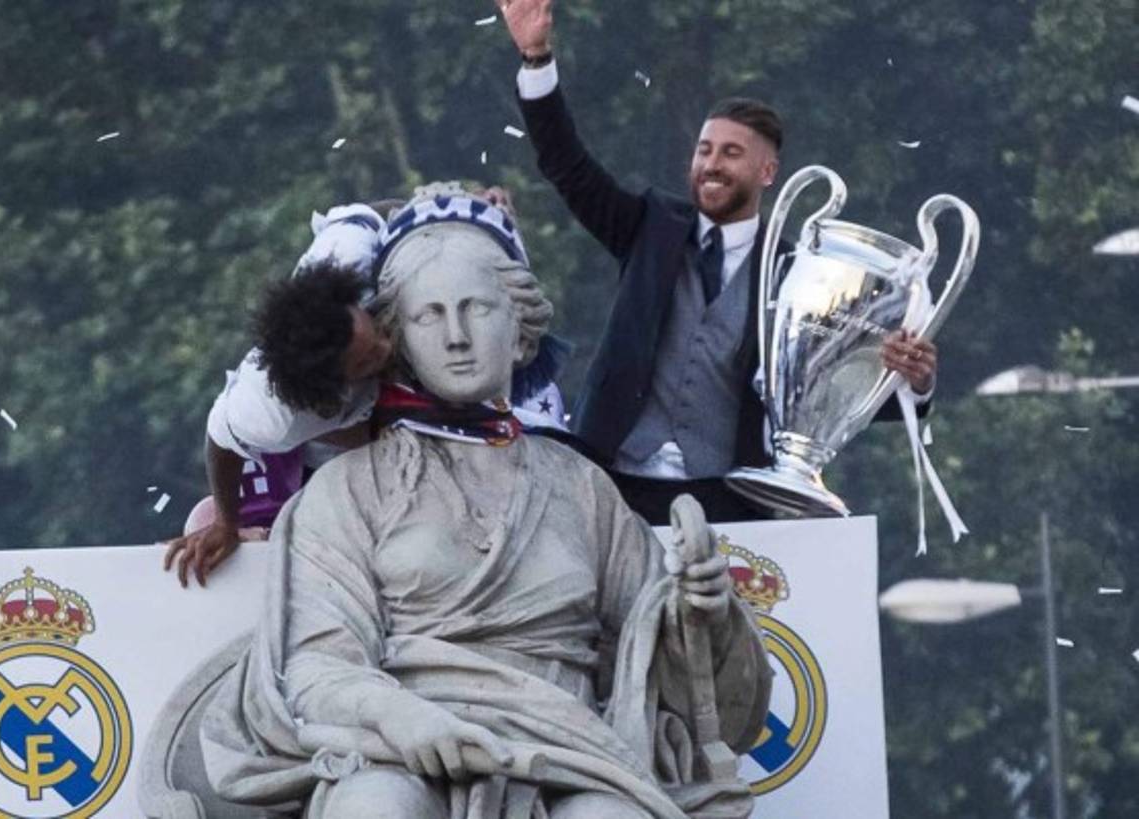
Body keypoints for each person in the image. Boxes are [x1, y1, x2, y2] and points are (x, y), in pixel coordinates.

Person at [198, 188, 771, 819]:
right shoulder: (342, 488)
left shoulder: (582, 486)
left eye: (477, 308)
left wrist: (704, 613)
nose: (457, 337)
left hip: (570, 748)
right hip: (400, 745)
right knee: (375, 807)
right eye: (428, 316)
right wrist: (405, 719)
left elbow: (671, 680)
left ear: (520, 329)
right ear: (399, 337)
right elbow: (315, 667)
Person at [497, 0, 938, 525]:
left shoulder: (796, 275)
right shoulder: (649, 229)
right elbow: (565, 164)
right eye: (704, 150)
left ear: (767, 170)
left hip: (731, 499)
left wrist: (913, 379)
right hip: (616, 487)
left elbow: (833, 394)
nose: (711, 164)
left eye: (731, 153)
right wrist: (536, 57)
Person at [164, 187, 570, 587]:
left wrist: (456, 211)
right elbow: (219, 438)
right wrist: (226, 523)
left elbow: (386, 214)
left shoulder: (344, 255)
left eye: (374, 330)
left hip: (400, 404)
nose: (387, 345)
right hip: (331, 444)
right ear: (336, 386)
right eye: (369, 358)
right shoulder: (271, 413)